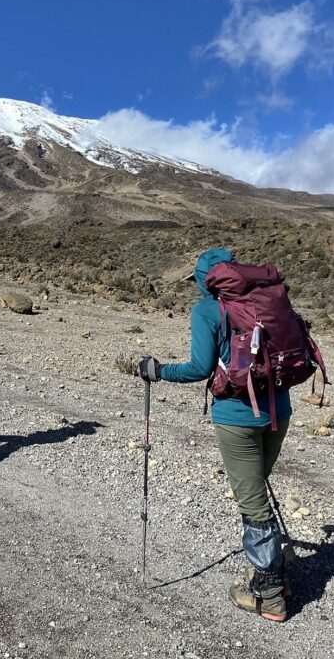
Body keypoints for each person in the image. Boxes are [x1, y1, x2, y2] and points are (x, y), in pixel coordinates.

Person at [139, 248, 293, 622]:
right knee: (257, 489)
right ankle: (270, 571)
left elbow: (198, 367)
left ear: (204, 281)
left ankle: (269, 593)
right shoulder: (265, 302)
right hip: (279, 411)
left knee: (252, 502)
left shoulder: (207, 311)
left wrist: (157, 371)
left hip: (237, 418)